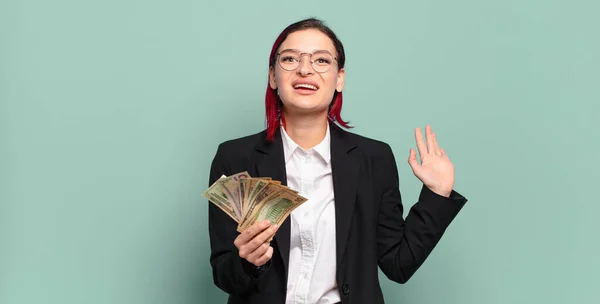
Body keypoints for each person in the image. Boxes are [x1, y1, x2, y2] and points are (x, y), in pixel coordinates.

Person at [207, 17, 468, 304]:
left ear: (340, 78)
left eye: (321, 61)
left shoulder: (374, 159)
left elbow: (398, 264)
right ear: (272, 76)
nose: (305, 69)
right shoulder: (235, 157)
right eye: (290, 59)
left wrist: (438, 194)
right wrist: (248, 262)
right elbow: (223, 274)